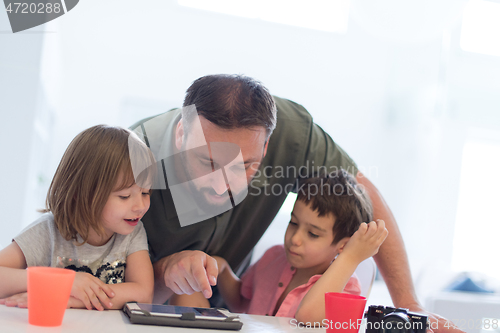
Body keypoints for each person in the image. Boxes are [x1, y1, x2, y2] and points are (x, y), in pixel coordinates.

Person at [130, 74, 462, 332]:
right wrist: (165, 271)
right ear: (180, 135)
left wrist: (408, 304)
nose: (223, 186)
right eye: (208, 163)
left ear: (267, 144)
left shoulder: (292, 133)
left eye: (245, 166)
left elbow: (362, 194)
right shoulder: (130, 159)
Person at [174, 170, 388, 323]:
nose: (295, 238)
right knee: (184, 292)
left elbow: (308, 317)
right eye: (293, 223)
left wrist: (350, 258)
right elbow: (241, 302)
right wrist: (222, 268)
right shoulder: (274, 257)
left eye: (313, 234)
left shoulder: (347, 288)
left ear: (343, 246)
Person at [0, 125, 155, 311]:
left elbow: (143, 292)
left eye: (145, 193)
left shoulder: (133, 232)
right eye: (124, 196)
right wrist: (62, 282)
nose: (141, 206)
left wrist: (73, 300)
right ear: (80, 193)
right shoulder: (48, 231)